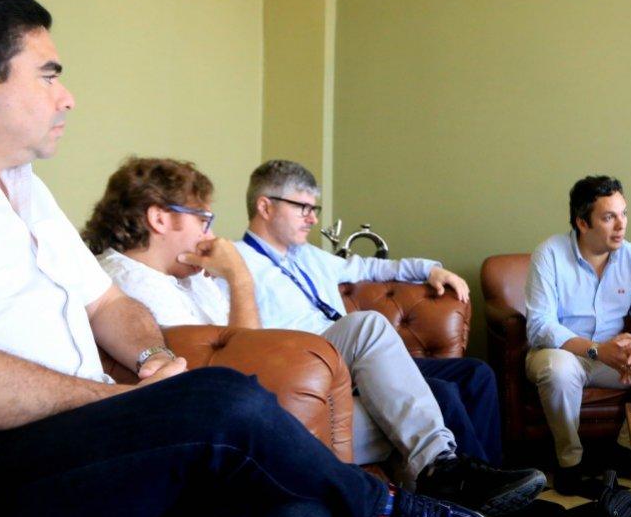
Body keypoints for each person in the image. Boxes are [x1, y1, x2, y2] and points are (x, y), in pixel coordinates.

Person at [0, 0, 486, 517]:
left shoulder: (24, 187)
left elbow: (108, 304)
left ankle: (399, 500)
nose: (67, 97)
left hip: (95, 463)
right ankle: (383, 509)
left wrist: (148, 360)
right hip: (13, 484)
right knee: (220, 396)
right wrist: (121, 402)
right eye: (48, 76)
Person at [81, 157, 512, 480]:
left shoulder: (192, 279)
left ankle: (451, 488)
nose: (209, 234)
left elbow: (366, 270)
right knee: (423, 399)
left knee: (415, 365)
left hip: (304, 373)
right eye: (203, 220)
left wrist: (429, 267)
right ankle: (458, 493)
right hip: (267, 397)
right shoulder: (126, 288)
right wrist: (239, 277)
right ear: (159, 218)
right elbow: (241, 368)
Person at [232, 159, 545, 517]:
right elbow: (244, 341)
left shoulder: (310, 256)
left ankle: (495, 485)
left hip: (359, 359)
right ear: (265, 206)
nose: (312, 218)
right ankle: (474, 496)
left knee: (476, 374)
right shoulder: (237, 265)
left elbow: (374, 267)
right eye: (302, 207)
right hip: (314, 365)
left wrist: (430, 268)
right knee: (433, 385)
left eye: (313, 209)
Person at [524, 175, 631, 496]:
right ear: (582, 223)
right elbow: (540, 326)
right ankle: (569, 461)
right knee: (556, 368)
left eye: (624, 213)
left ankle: (625, 449)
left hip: (614, 358)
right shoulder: (549, 254)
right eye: (609, 217)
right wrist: (597, 350)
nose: (621, 225)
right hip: (566, 355)